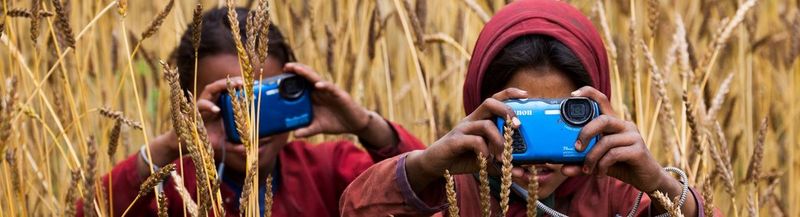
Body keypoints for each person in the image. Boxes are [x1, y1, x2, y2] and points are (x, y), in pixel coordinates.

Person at [340, 0, 717, 216]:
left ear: (597, 109)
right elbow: (355, 210)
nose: (538, 160)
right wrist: (425, 165)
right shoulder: (452, 192)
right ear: (480, 107)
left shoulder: (617, 193)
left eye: (564, 119)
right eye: (519, 122)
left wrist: (657, 183)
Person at [77, 7, 425, 217]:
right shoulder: (168, 190)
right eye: (229, 103)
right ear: (190, 102)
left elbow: (430, 199)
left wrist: (364, 124)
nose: (250, 124)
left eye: (262, 98)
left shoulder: (331, 170)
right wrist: (169, 146)